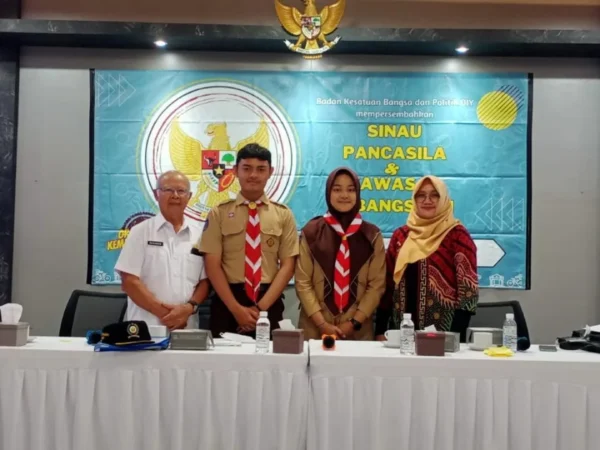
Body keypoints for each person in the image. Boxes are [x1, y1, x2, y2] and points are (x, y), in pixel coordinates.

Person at [199, 143, 299, 337]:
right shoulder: (219, 213)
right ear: (235, 170)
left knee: (271, 357)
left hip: (269, 302)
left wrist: (260, 309)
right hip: (227, 302)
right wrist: (236, 309)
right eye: (247, 168)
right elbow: (212, 265)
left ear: (270, 172)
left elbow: (288, 266)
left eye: (261, 169)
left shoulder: (283, 214)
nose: (253, 175)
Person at [375, 175, 479, 340]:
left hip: (443, 336)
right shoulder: (401, 236)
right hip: (399, 336)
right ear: (414, 200)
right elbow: (387, 285)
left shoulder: (457, 236)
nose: (427, 200)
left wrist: (454, 337)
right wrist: (380, 330)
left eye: (434, 195)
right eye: (421, 195)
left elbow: (468, 293)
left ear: (444, 199)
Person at [295, 167, 386, 340]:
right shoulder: (312, 232)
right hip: (314, 328)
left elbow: (376, 285)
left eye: (350, 190)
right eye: (337, 189)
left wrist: (354, 323)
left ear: (358, 193)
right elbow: (303, 282)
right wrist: (322, 324)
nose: (344, 195)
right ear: (328, 192)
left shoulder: (371, 235)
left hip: (359, 330)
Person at [115, 170, 210, 330]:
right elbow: (129, 282)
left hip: (187, 327)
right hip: (146, 328)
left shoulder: (200, 234)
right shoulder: (140, 231)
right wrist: (167, 315)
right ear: (156, 194)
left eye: (181, 191)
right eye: (168, 190)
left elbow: (205, 282)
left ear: (189, 196)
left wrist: (187, 309)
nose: (175, 196)